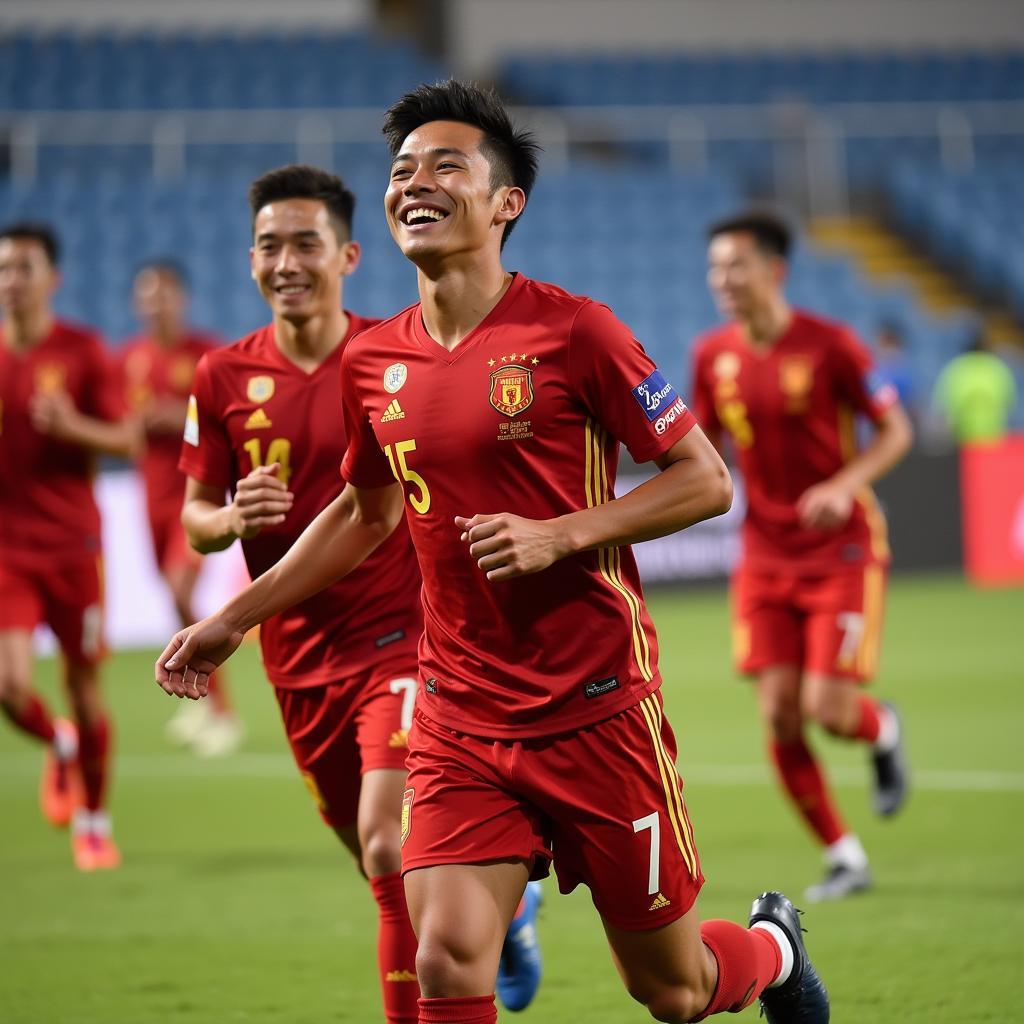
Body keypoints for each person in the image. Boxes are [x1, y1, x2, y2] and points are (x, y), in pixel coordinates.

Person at [157, 84, 829, 1024]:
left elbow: (705, 479)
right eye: (400, 172)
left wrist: (566, 531)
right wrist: (231, 618)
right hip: (461, 711)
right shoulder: (372, 362)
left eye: (445, 167)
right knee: (446, 957)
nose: (414, 184)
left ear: (506, 202)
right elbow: (364, 512)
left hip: (596, 703)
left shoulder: (576, 331)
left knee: (672, 990)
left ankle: (773, 948)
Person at [173, 164, 541, 1023]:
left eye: (306, 243)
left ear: (347, 255)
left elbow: (393, 500)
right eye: (269, 245)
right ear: (251, 260)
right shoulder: (222, 376)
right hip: (297, 656)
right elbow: (190, 517)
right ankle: (507, 915)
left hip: (404, 641)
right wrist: (228, 517)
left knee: (388, 842)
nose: (286, 261)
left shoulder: (393, 355)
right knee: (376, 857)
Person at [690, 211, 914, 902]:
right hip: (763, 552)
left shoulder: (831, 345)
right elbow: (702, 452)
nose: (722, 280)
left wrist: (844, 484)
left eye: (736, 266)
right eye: (715, 268)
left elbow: (895, 429)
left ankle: (882, 730)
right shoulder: (711, 355)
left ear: (774, 270)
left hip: (841, 548)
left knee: (830, 709)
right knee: (780, 716)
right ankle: (845, 856)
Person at [0, 222, 136, 870]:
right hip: (7, 551)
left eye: (24, 267)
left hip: (74, 546)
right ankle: (57, 741)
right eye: (2, 268)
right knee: (8, 686)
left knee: (84, 687)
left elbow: (129, 440)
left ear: (52, 278)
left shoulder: (82, 351)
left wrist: (70, 423)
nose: (11, 280)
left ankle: (93, 820)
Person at [121, 259, 241, 756]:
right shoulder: (127, 360)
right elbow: (123, 434)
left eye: (165, 293)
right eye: (148, 294)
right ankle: (204, 703)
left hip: (197, 496)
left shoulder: (207, 355)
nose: (156, 303)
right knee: (175, 599)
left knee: (180, 587)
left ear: (182, 299)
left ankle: (225, 712)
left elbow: (228, 422)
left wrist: (182, 417)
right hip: (149, 497)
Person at [932, 332, 1018, 444]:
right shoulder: (997, 367)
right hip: (993, 437)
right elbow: (1009, 402)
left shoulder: (957, 367)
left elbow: (943, 405)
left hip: (964, 438)